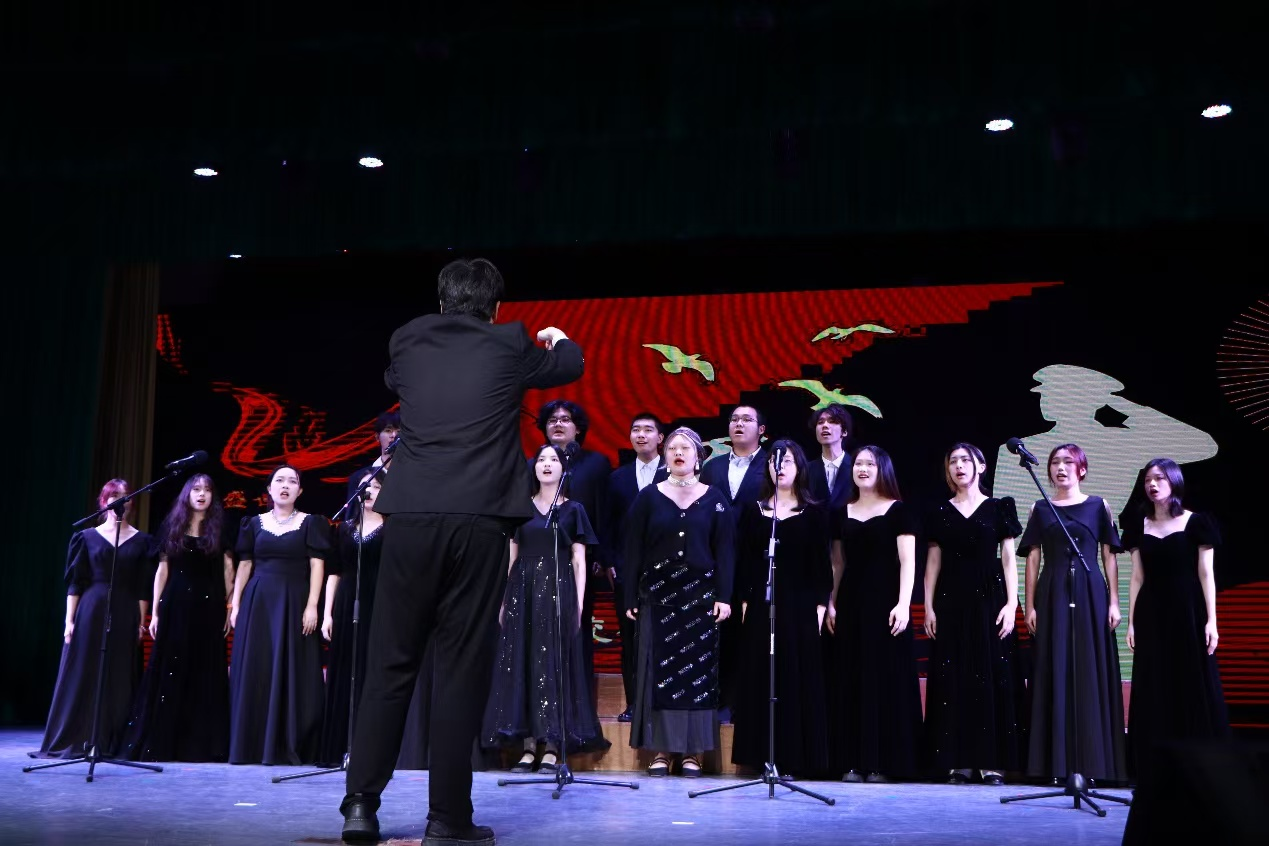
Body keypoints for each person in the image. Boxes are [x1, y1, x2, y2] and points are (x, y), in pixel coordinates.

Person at [339, 257, 583, 845]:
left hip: (410, 517)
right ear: (495, 307)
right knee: (459, 670)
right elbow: (570, 363)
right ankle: (447, 819)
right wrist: (555, 336)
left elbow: (396, 380)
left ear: (442, 301)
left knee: (389, 664)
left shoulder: (408, 339)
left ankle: (360, 806)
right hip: (479, 520)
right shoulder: (510, 342)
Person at [483, 443, 609, 771]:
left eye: (554, 459)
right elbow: (510, 557)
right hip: (522, 591)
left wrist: (577, 604)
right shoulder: (520, 508)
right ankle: (528, 745)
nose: (547, 464)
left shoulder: (574, 510)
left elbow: (579, 561)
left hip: (558, 590)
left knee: (553, 665)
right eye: (541, 459)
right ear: (534, 468)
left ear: (564, 468)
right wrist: (503, 600)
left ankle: (552, 744)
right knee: (523, 664)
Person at [621, 426, 735, 778]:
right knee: (659, 675)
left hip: (700, 601)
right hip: (658, 598)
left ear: (699, 457)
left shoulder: (715, 498)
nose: (678, 453)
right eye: (672, 448)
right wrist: (630, 594)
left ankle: (692, 753)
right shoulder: (649, 497)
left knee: (698, 676)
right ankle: (660, 751)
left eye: (685, 448)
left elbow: (726, 551)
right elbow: (632, 548)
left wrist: (725, 596)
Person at [1018, 443, 1127, 786]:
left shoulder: (1098, 505)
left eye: (1068, 462)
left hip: (1090, 592)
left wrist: (1114, 602)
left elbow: (1109, 555)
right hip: (1052, 591)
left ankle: (1091, 765)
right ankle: (1054, 764)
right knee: (1055, 667)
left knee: (1088, 670)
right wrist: (1030, 605)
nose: (1060, 468)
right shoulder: (1040, 507)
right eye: (1055, 462)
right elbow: (1033, 558)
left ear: (1082, 469)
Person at [922, 443, 1026, 785]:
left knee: (991, 674)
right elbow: (933, 561)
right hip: (951, 599)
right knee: (954, 677)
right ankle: (958, 761)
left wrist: (1011, 604)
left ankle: (990, 761)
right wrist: (929, 606)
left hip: (990, 599)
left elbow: (1008, 558)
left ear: (980, 466)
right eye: (953, 461)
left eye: (965, 460)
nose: (959, 466)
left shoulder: (999, 507)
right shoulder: (939, 510)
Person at [32, 479, 156, 759]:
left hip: (125, 609)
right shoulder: (86, 537)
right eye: (113, 495)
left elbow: (142, 587)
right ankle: (79, 736)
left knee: (119, 673)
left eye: (125, 496)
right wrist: (69, 621)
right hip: (91, 608)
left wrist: (140, 621)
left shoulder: (143, 541)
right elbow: (76, 583)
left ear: (132, 502)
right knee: (83, 670)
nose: (119, 500)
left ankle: (112, 739)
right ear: (103, 501)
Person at [1121, 458, 1228, 780]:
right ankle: (1153, 766)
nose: (1152, 485)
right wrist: (1131, 621)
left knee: (1190, 681)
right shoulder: (1138, 524)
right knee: (1154, 683)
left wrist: (1212, 620)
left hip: (1188, 611)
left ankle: (1199, 765)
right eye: (1148, 480)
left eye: (1159, 479)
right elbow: (1137, 577)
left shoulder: (1197, 522)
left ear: (1174, 482)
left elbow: (1206, 574)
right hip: (1152, 612)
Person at [731, 439, 831, 777]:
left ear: (800, 467)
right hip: (762, 605)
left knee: (794, 677)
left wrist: (820, 609)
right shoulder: (755, 511)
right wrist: (745, 603)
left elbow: (821, 567)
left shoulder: (814, 513)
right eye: (775, 462)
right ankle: (761, 756)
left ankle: (793, 758)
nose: (780, 467)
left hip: (800, 607)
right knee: (761, 675)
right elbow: (745, 562)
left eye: (787, 461)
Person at [825, 445, 923, 783]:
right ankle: (852, 761)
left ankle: (883, 762)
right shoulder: (841, 512)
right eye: (858, 464)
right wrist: (832, 602)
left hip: (887, 603)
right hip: (851, 602)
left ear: (883, 469)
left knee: (885, 680)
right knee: (850, 678)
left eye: (870, 464)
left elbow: (908, 561)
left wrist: (903, 603)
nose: (862, 468)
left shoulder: (899, 511)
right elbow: (838, 564)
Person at [121, 473, 234, 762]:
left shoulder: (220, 528)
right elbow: (162, 571)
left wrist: (229, 605)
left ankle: (202, 745)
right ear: (187, 494)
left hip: (209, 605)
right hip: (176, 603)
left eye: (207, 490)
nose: (201, 494)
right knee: (170, 668)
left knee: (205, 670)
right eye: (196, 489)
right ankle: (165, 742)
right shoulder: (172, 526)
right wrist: (156, 611)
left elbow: (228, 570)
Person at [228, 463, 331, 765]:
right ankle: (252, 745)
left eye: (292, 481)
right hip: (258, 603)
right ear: (269, 489)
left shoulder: (311, 523)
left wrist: (312, 605)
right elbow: (245, 564)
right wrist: (236, 604)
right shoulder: (253, 523)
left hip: (294, 600)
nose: (285, 486)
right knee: (257, 668)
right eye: (279, 480)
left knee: (292, 668)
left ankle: (289, 742)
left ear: (300, 490)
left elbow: (317, 565)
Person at [534, 398, 613, 684]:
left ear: (578, 428)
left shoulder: (596, 463)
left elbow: (604, 511)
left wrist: (602, 556)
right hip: (539, 559)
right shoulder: (533, 464)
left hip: (582, 560)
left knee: (577, 623)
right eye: (552, 419)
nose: (558, 424)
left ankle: (576, 691)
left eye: (565, 419)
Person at [698, 404, 767, 720]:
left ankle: (746, 701)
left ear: (761, 430)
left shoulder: (772, 465)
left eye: (747, 420)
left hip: (757, 559)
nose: (739, 424)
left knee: (752, 631)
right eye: (734, 419)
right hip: (716, 560)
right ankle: (720, 699)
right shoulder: (712, 467)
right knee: (719, 631)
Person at [317, 472, 387, 767]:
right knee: (344, 672)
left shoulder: (392, 528)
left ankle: (371, 750)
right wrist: (326, 614)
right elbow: (333, 573)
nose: (369, 491)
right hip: (347, 603)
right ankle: (340, 748)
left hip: (379, 603)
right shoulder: (344, 529)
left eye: (376, 486)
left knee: (372, 672)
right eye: (365, 487)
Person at [605, 411, 667, 722]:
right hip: (627, 569)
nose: (641, 435)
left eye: (648, 430)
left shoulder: (674, 473)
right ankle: (633, 704)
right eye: (636, 430)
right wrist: (610, 562)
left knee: (664, 636)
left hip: (667, 569)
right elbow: (608, 524)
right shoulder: (618, 477)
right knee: (630, 639)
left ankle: (663, 703)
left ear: (661, 438)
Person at [806, 404, 855, 512]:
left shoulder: (856, 467)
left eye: (832, 421)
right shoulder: (806, 470)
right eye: (820, 422)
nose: (825, 425)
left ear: (844, 431)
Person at [346, 411, 400, 508]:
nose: (394, 435)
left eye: (399, 432)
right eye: (388, 430)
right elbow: (353, 513)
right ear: (377, 437)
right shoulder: (359, 478)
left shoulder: (417, 473)